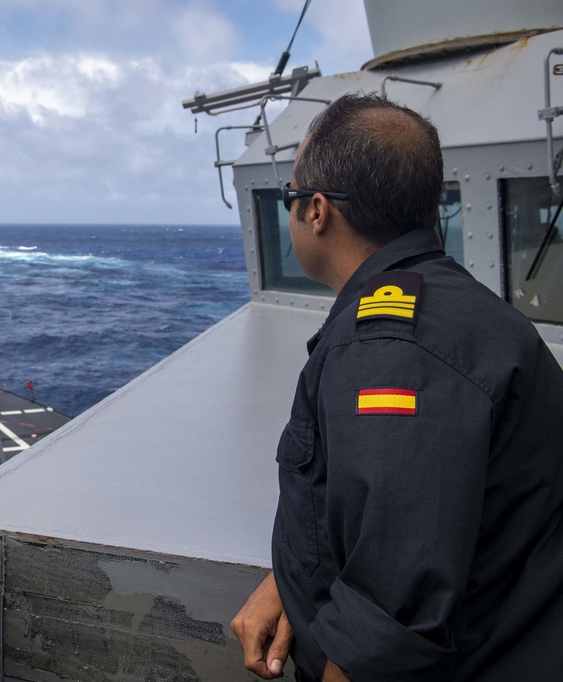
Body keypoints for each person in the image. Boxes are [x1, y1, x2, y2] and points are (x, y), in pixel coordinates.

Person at [230, 93, 563, 682]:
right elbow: (402, 518)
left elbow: (387, 623)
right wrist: (292, 577)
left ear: (316, 212)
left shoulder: (391, 351)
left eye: (288, 199)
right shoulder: (453, 305)